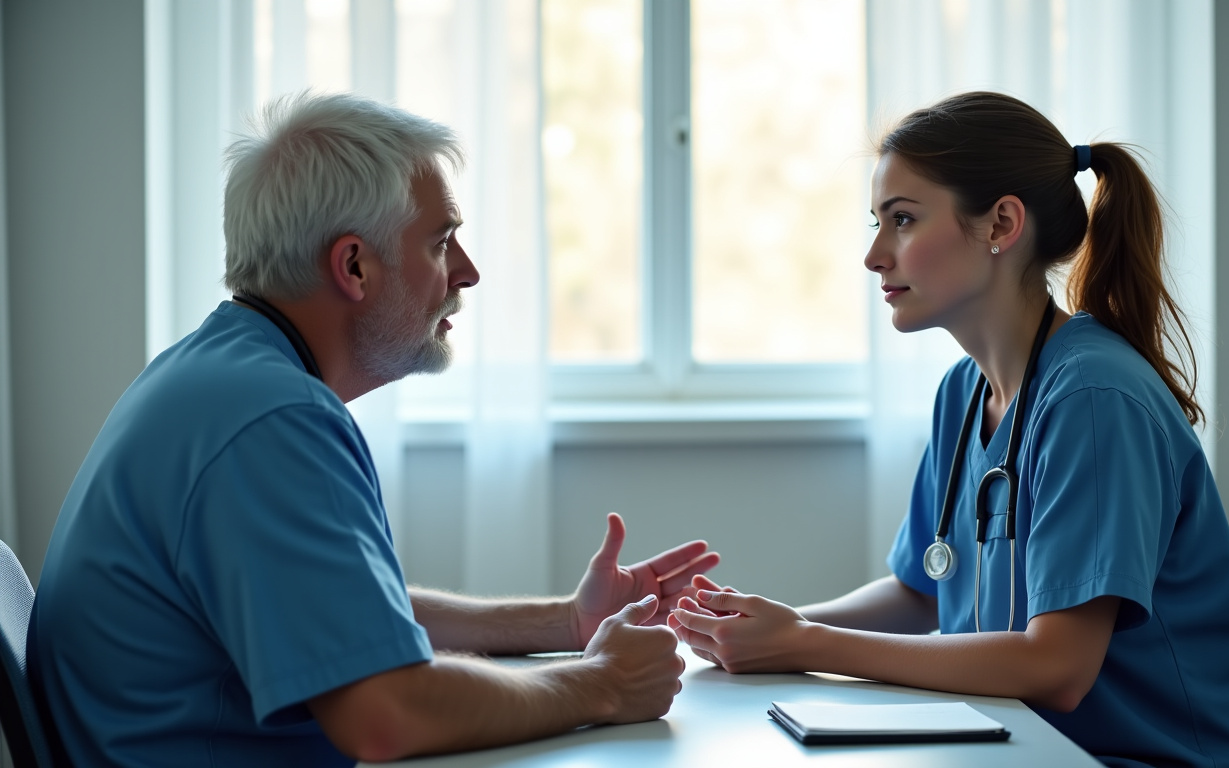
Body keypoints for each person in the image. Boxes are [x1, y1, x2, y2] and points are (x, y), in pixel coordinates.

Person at [29, 91, 719, 767]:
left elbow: (343, 613)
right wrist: (602, 684)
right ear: (353, 265)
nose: (468, 272)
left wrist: (567, 625)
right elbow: (384, 713)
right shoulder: (273, 421)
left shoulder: (218, 376)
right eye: (442, 241)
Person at [669, 91, 1229, 768]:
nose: (873, 255)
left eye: (902, 220)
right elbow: (918, 590)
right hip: (1022, 741)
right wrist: (764, 625)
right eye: (876, 222)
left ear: (1000, 224)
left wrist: (804, 644)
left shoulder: (1094, 400)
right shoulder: (964, 393)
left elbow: (1058, 668)